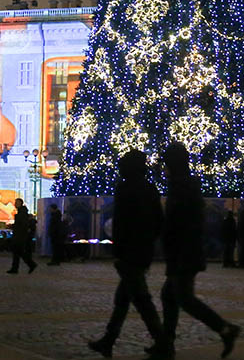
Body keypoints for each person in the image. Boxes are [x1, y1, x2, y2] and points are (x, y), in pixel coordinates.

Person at [158, 143, 240, 359]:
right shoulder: (182, 184)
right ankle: (165, 344)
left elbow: (182, 223)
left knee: (184, 299)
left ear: (173, 165)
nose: (163, 169)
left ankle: (225, 329)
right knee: (169, 296)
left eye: (166, 165)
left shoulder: (181, 187)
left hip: (184, 253)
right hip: (182, 252)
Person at [88, 150, 169, 359]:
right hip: (143, 251)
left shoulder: (125, 188)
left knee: (141, 299)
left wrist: (119, 250)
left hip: (129, 253)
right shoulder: (150, 189)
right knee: (122, 299)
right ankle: (108, 340)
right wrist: (149, 242)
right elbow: (160, 221)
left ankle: (163, 344)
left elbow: (121, 223)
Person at [7, 198, 37, 274]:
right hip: (19, 235)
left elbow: (22, 225)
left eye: (17, 202)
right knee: (18, 252)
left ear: (21, 203)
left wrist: (13, 226)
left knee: (18, 252)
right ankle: (17, 268)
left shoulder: (22, 213)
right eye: (15, 202)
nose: (15, 204)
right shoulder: (22, 212)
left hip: (19, 236)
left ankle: (30, 264)